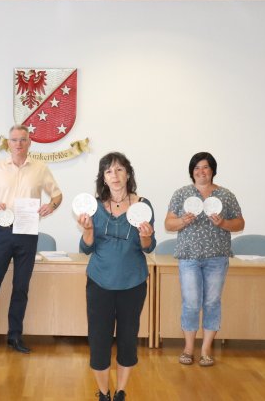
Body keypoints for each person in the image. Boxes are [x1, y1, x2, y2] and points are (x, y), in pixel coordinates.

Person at [0, 125, 63, 354]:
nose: (18, 144)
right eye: (14, 140)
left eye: (23, 140)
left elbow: (57, 194)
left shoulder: (40, 168)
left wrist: (50, 206)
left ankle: (14, 336)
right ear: (8, 143)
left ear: (29, 143)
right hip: (2, 231)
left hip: (27, 232)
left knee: (21, 287)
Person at [77, 152, 155, 401]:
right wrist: (88, 230)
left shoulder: (143, 205)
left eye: (120, 170)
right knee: (99, 339)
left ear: (128, 174)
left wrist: (146, 235)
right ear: (103, 177)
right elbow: (86, 248)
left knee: (127, 338)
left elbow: (148, 247)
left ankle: (120, 391)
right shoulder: (94, 207)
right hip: (100, 282)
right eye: (109, 171)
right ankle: (103, 393)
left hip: (133, 282)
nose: (115, 175)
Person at [164, 152, 244, 368]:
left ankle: (206, 349)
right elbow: (168, 224)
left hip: (217, 257)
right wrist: (183, 220)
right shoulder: (182, 194)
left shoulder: (225, 195)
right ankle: (188, 349)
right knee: (190, 303)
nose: (201, 171)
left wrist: (223, 223)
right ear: (192, 171)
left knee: (211, 302)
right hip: (188, 257)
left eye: (206, 167)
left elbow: (240, 224)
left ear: (212, 170)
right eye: (197, 167)